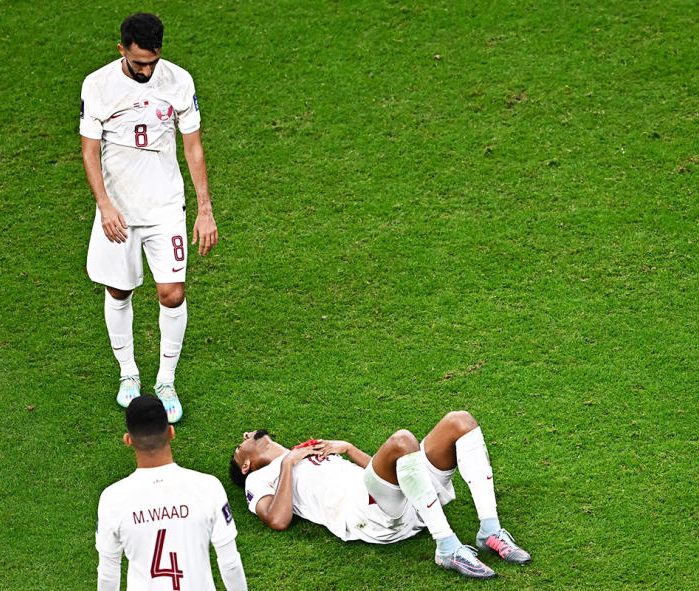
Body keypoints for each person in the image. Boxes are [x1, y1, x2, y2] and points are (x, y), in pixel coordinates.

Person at [80, 12, 218, 418]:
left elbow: (193, 147)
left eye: (152, 62)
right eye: (139, 62)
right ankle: (128, 374)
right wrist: (104, 205)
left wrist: (204, 208)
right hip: (118, 211)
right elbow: (89, 150)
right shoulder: (98, 85)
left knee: (172, 293)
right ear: (121, 49)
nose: (146, 70)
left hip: (165, 208)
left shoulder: (179, 81)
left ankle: (166, 381)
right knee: (119, 291)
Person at [228, 411, 530, 580]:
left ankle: (490, 530)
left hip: (398, 500)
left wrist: (347, 448)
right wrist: (289, 463)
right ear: (246, 464)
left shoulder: (307, 450)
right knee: (402, 440)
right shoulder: (258, 478)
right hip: (365, 515)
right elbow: (278, 520)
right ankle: (447, 547)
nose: (244, 437)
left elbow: (402, 467)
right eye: (240, 446)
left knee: (459, 422)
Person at [97, 395, 247, 591]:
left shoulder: (112, 498)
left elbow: (109, 574)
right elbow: (230, 563)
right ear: (171, 432)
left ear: (128, 440)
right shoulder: (208, 487)